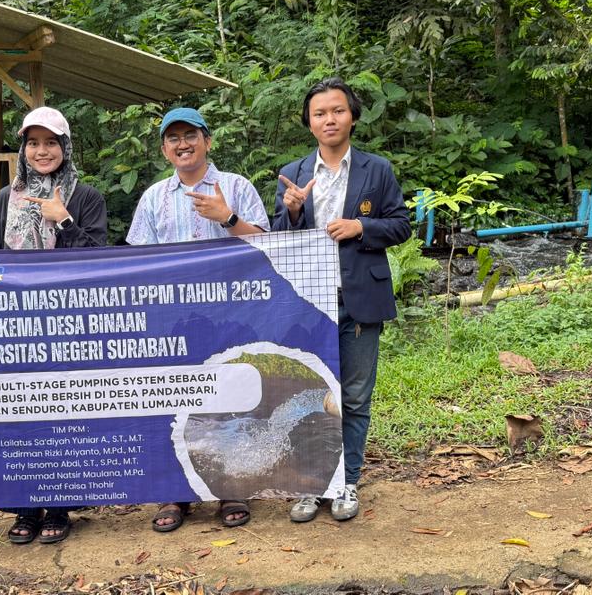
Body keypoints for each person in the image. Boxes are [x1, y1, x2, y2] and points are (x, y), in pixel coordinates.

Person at [271, 77, 411, 522]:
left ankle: (346, 480)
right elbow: (278, 238)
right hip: (308, 303)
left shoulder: (377, 170)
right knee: (310, 393)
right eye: (320, 113)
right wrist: (293, 211)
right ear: (309, 122)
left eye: (337, 110)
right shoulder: (293, 173)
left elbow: (401, 225)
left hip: (360, 299)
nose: (329, 119)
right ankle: (312, 484)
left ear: (352, 117)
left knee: (353, 396)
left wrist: (361, 227)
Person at [126, 106, 268, 532]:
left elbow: (270, 246)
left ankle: (230, 488)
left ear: (208, 140)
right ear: (164, 149)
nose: (182, 144)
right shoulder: (153, 197)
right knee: (176, 402)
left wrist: (227, 218)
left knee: (230, 399)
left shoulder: (237, 187)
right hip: (173, 321)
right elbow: (136, 263)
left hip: (231, 315)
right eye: (173, 138)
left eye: (190, 135)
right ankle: (177, 492)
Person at [0, 106, 108, 544]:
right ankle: (25, 506)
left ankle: (59, 506)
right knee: (20, 411)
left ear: (65, 146)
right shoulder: (6, 198)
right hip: (15, 322)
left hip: (70, 320)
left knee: (65, 412)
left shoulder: (86, 196)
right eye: (33, 143)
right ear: (23, 149)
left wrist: (64, 219)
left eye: (51, 142)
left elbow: (101, 261)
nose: (42, 151)